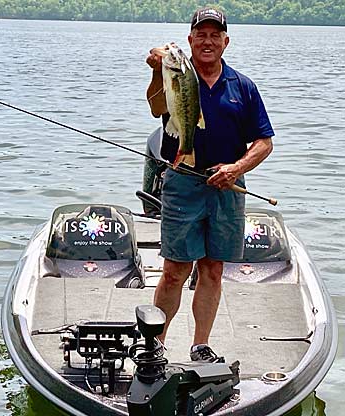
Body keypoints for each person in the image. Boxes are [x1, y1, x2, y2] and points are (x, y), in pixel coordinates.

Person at [146, 6, 274, 363]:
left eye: (214, 34)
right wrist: (159, 72)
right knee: (174, 270)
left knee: (213, 268)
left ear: (225, 41)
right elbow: (157, 108)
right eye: (200, 34)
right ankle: (155, 344)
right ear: (190, 40)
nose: (207, 40)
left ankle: (200, 344)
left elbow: (264, 142)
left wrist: (236, 168)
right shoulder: (178, 73)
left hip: (226, 189)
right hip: (182, 183)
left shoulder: (243, 86)